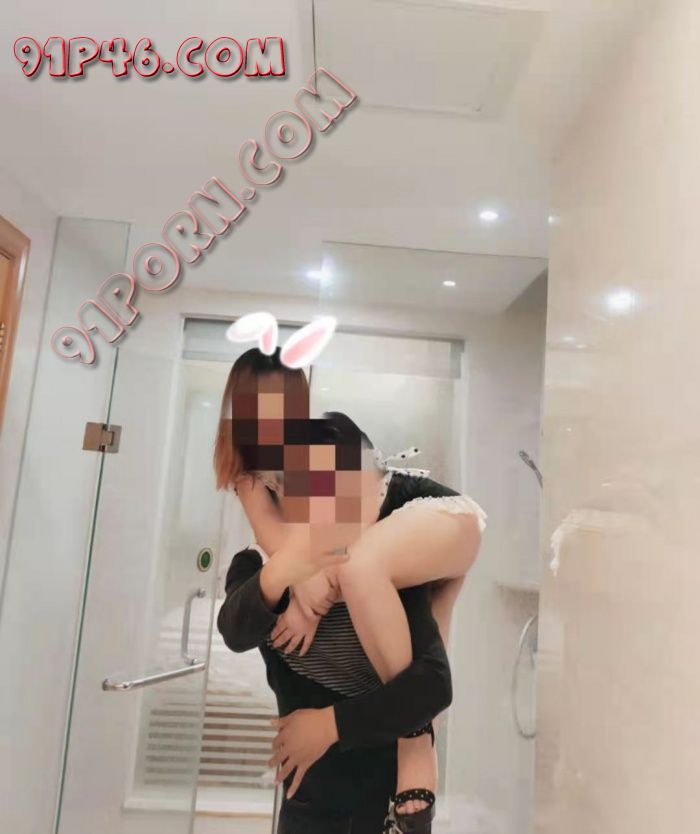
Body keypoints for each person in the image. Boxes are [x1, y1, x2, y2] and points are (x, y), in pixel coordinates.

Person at [214, 349, 486, 831]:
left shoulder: (330, 439)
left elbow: (343, 530)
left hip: (424, 513)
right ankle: (415, 730)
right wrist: (297, 578)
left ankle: (415, 738)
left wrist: (315, 596)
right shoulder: (251, 489)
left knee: (363, 569)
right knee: (409, 601)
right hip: (317, 796)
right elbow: (270, 546)